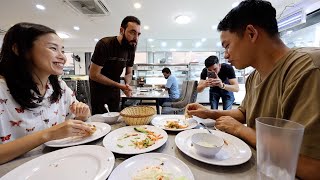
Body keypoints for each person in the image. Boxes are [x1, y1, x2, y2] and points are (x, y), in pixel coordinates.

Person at [186, 0, 320, 179]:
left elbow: (312, 166)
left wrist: (241, 130)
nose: (225, 55)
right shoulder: (254, 77)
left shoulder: (307, 69)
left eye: (227, 46)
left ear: (251, 33)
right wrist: (209, 113)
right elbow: (244, 113)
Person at [0, 23, 92, 164]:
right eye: (53, 48)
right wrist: (49, 134)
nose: (63, 57)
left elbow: (74, 120)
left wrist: (83, 115)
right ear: (20, 50)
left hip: (60, 164)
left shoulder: (59, 87)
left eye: (62, 50)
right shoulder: (2, 90)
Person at [89, 16, 141, 114]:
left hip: (115, 87)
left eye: (138, 34)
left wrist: (126, 85)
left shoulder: (131, 48)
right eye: (132, 32)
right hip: (98, 88)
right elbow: (94, 74)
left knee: (116, 115)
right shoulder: (105, 44)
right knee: (101, 119)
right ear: (122, 30)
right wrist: (120, 86)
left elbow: (128, 73)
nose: (136, 38)